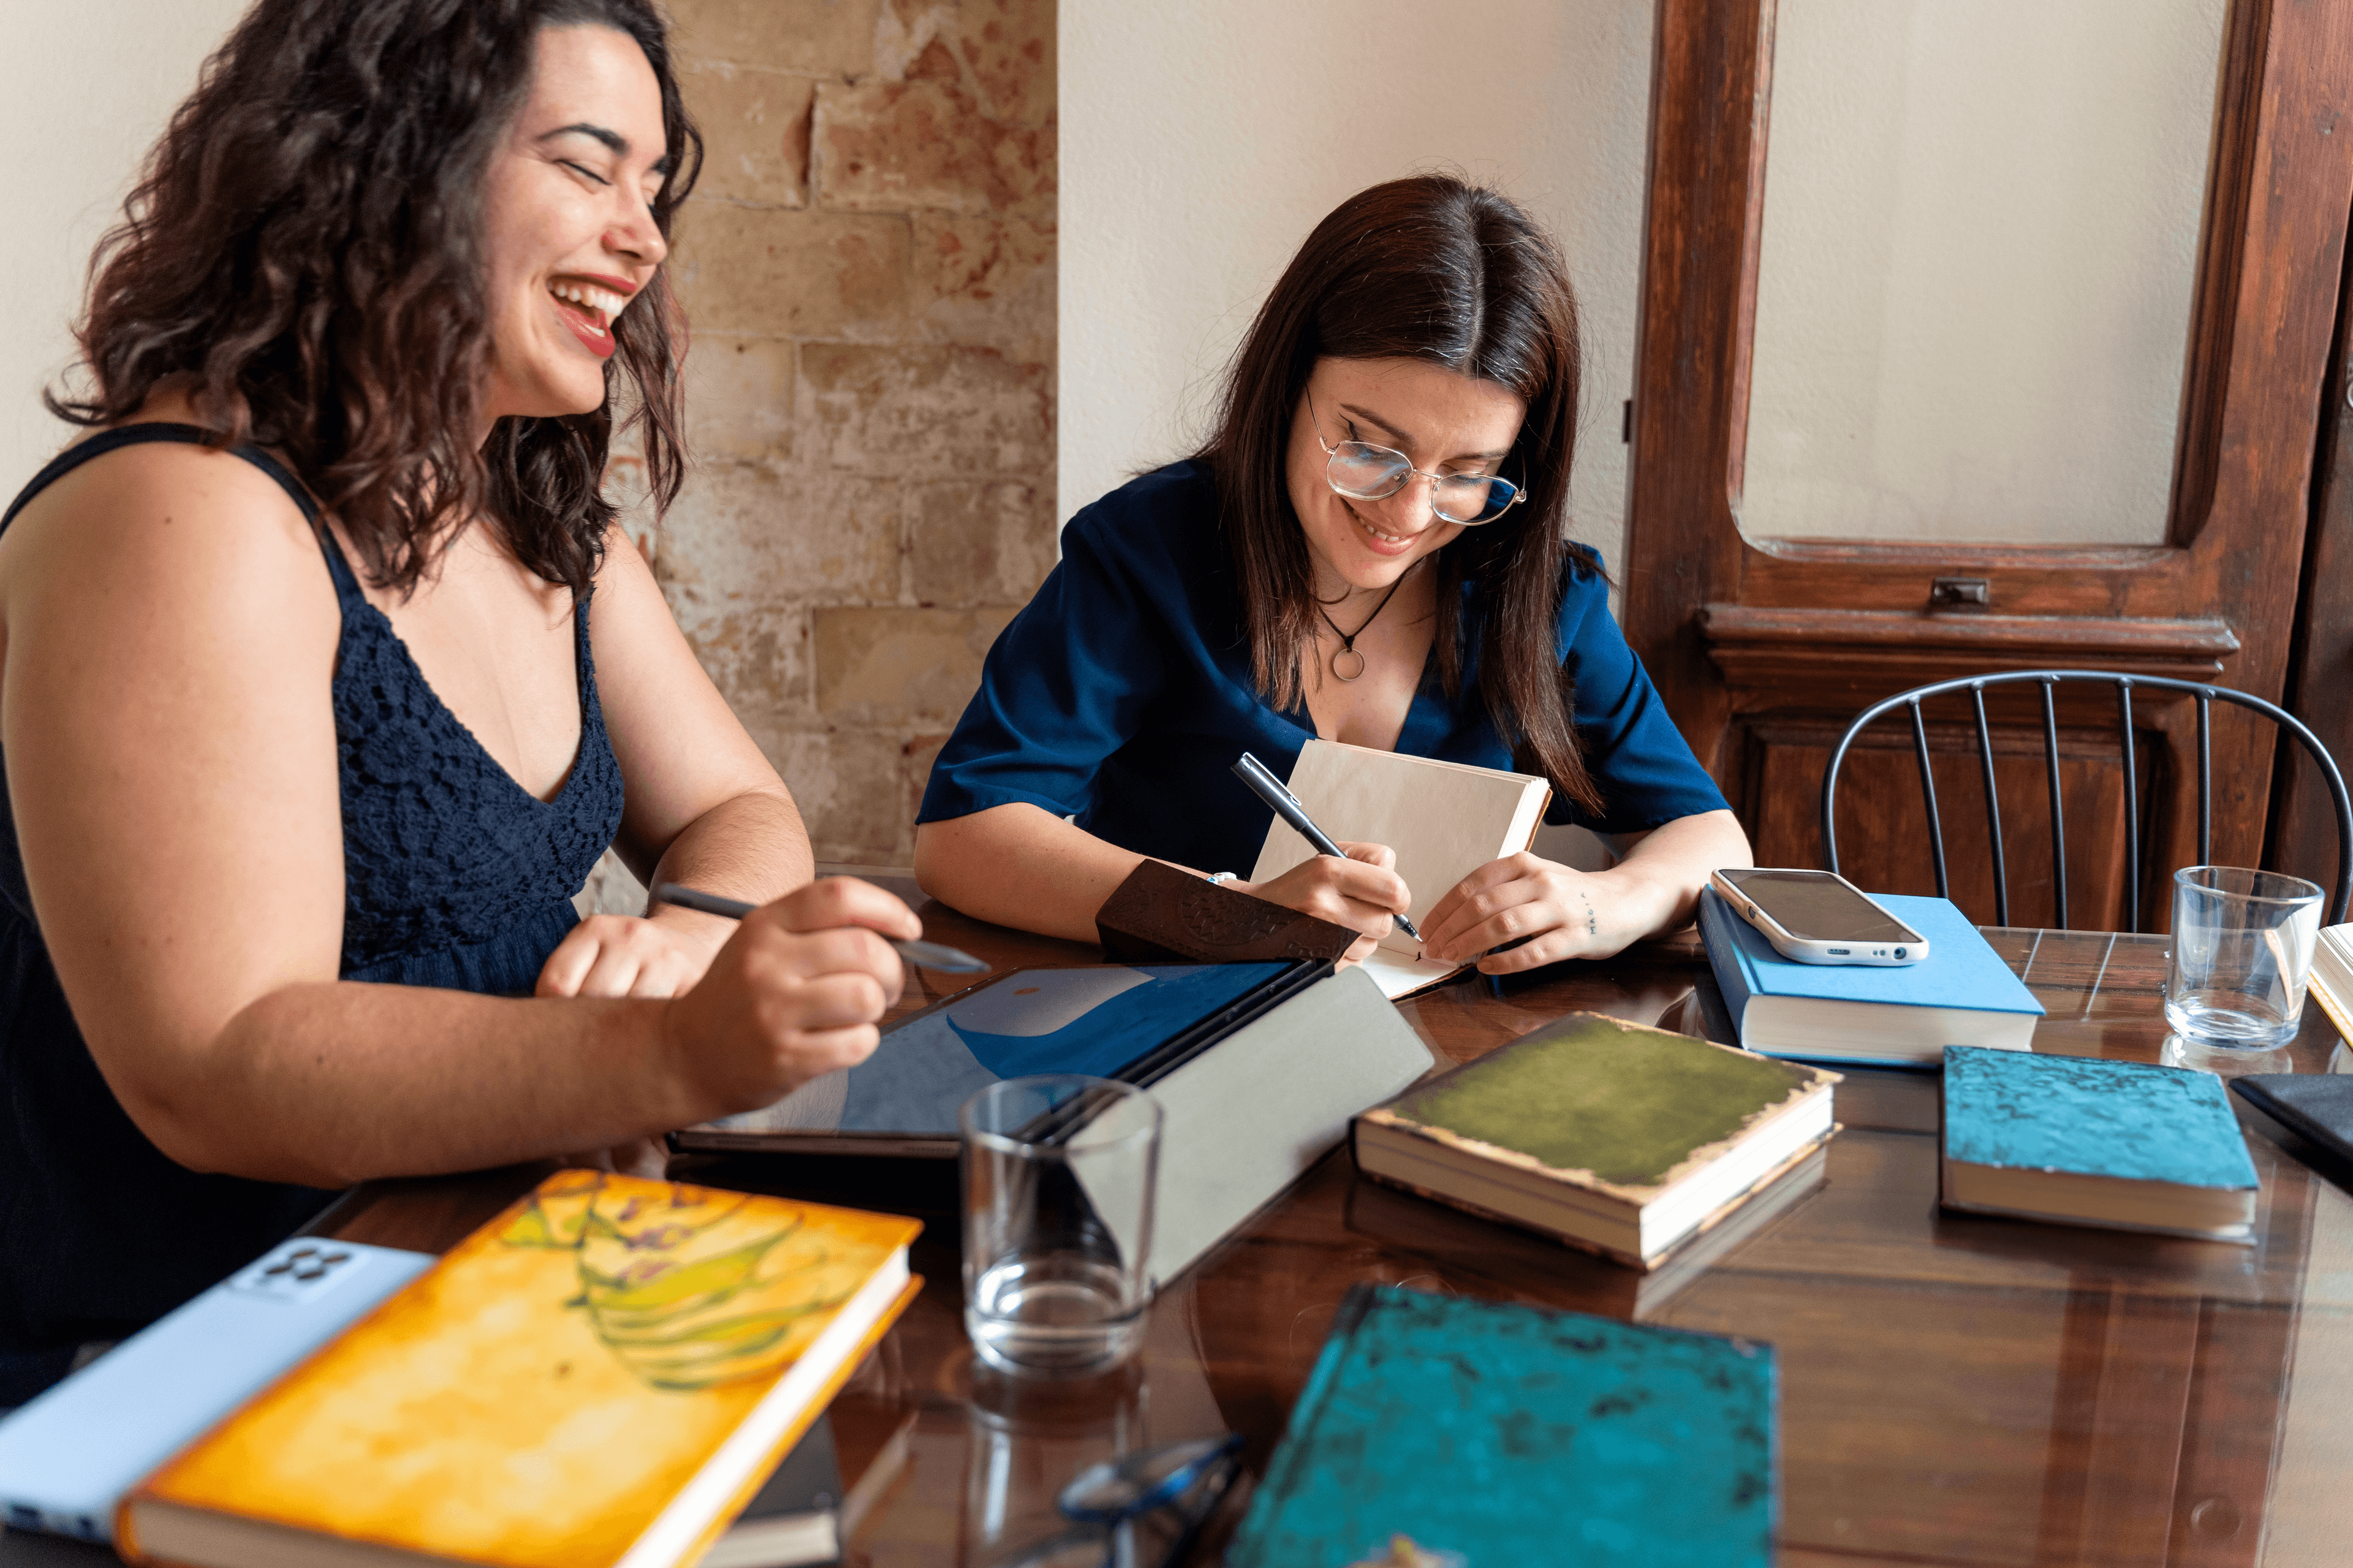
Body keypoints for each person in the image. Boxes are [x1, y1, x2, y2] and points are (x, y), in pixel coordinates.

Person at [0, 0, 920, 1404]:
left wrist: (685, 937)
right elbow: (217, 1061)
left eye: (653, 187)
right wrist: (663, 1052)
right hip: (151, 1373)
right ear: (390, 161)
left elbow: (739, 808)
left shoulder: (544, 521)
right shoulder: (180, 509)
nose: (644, 235)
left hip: (457, 1285)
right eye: (586, 165)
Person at [915, 176, 1751, 967]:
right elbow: (963, 834)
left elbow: (1710, 835)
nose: (1411, 514)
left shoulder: (1529, 591)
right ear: (1287, 387)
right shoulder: (1152, 551)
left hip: (1444, 1049)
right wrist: (1226, 911)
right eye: (1371, 448)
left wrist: (1606, 905)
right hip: (1169, 1035)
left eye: (1467, 472)